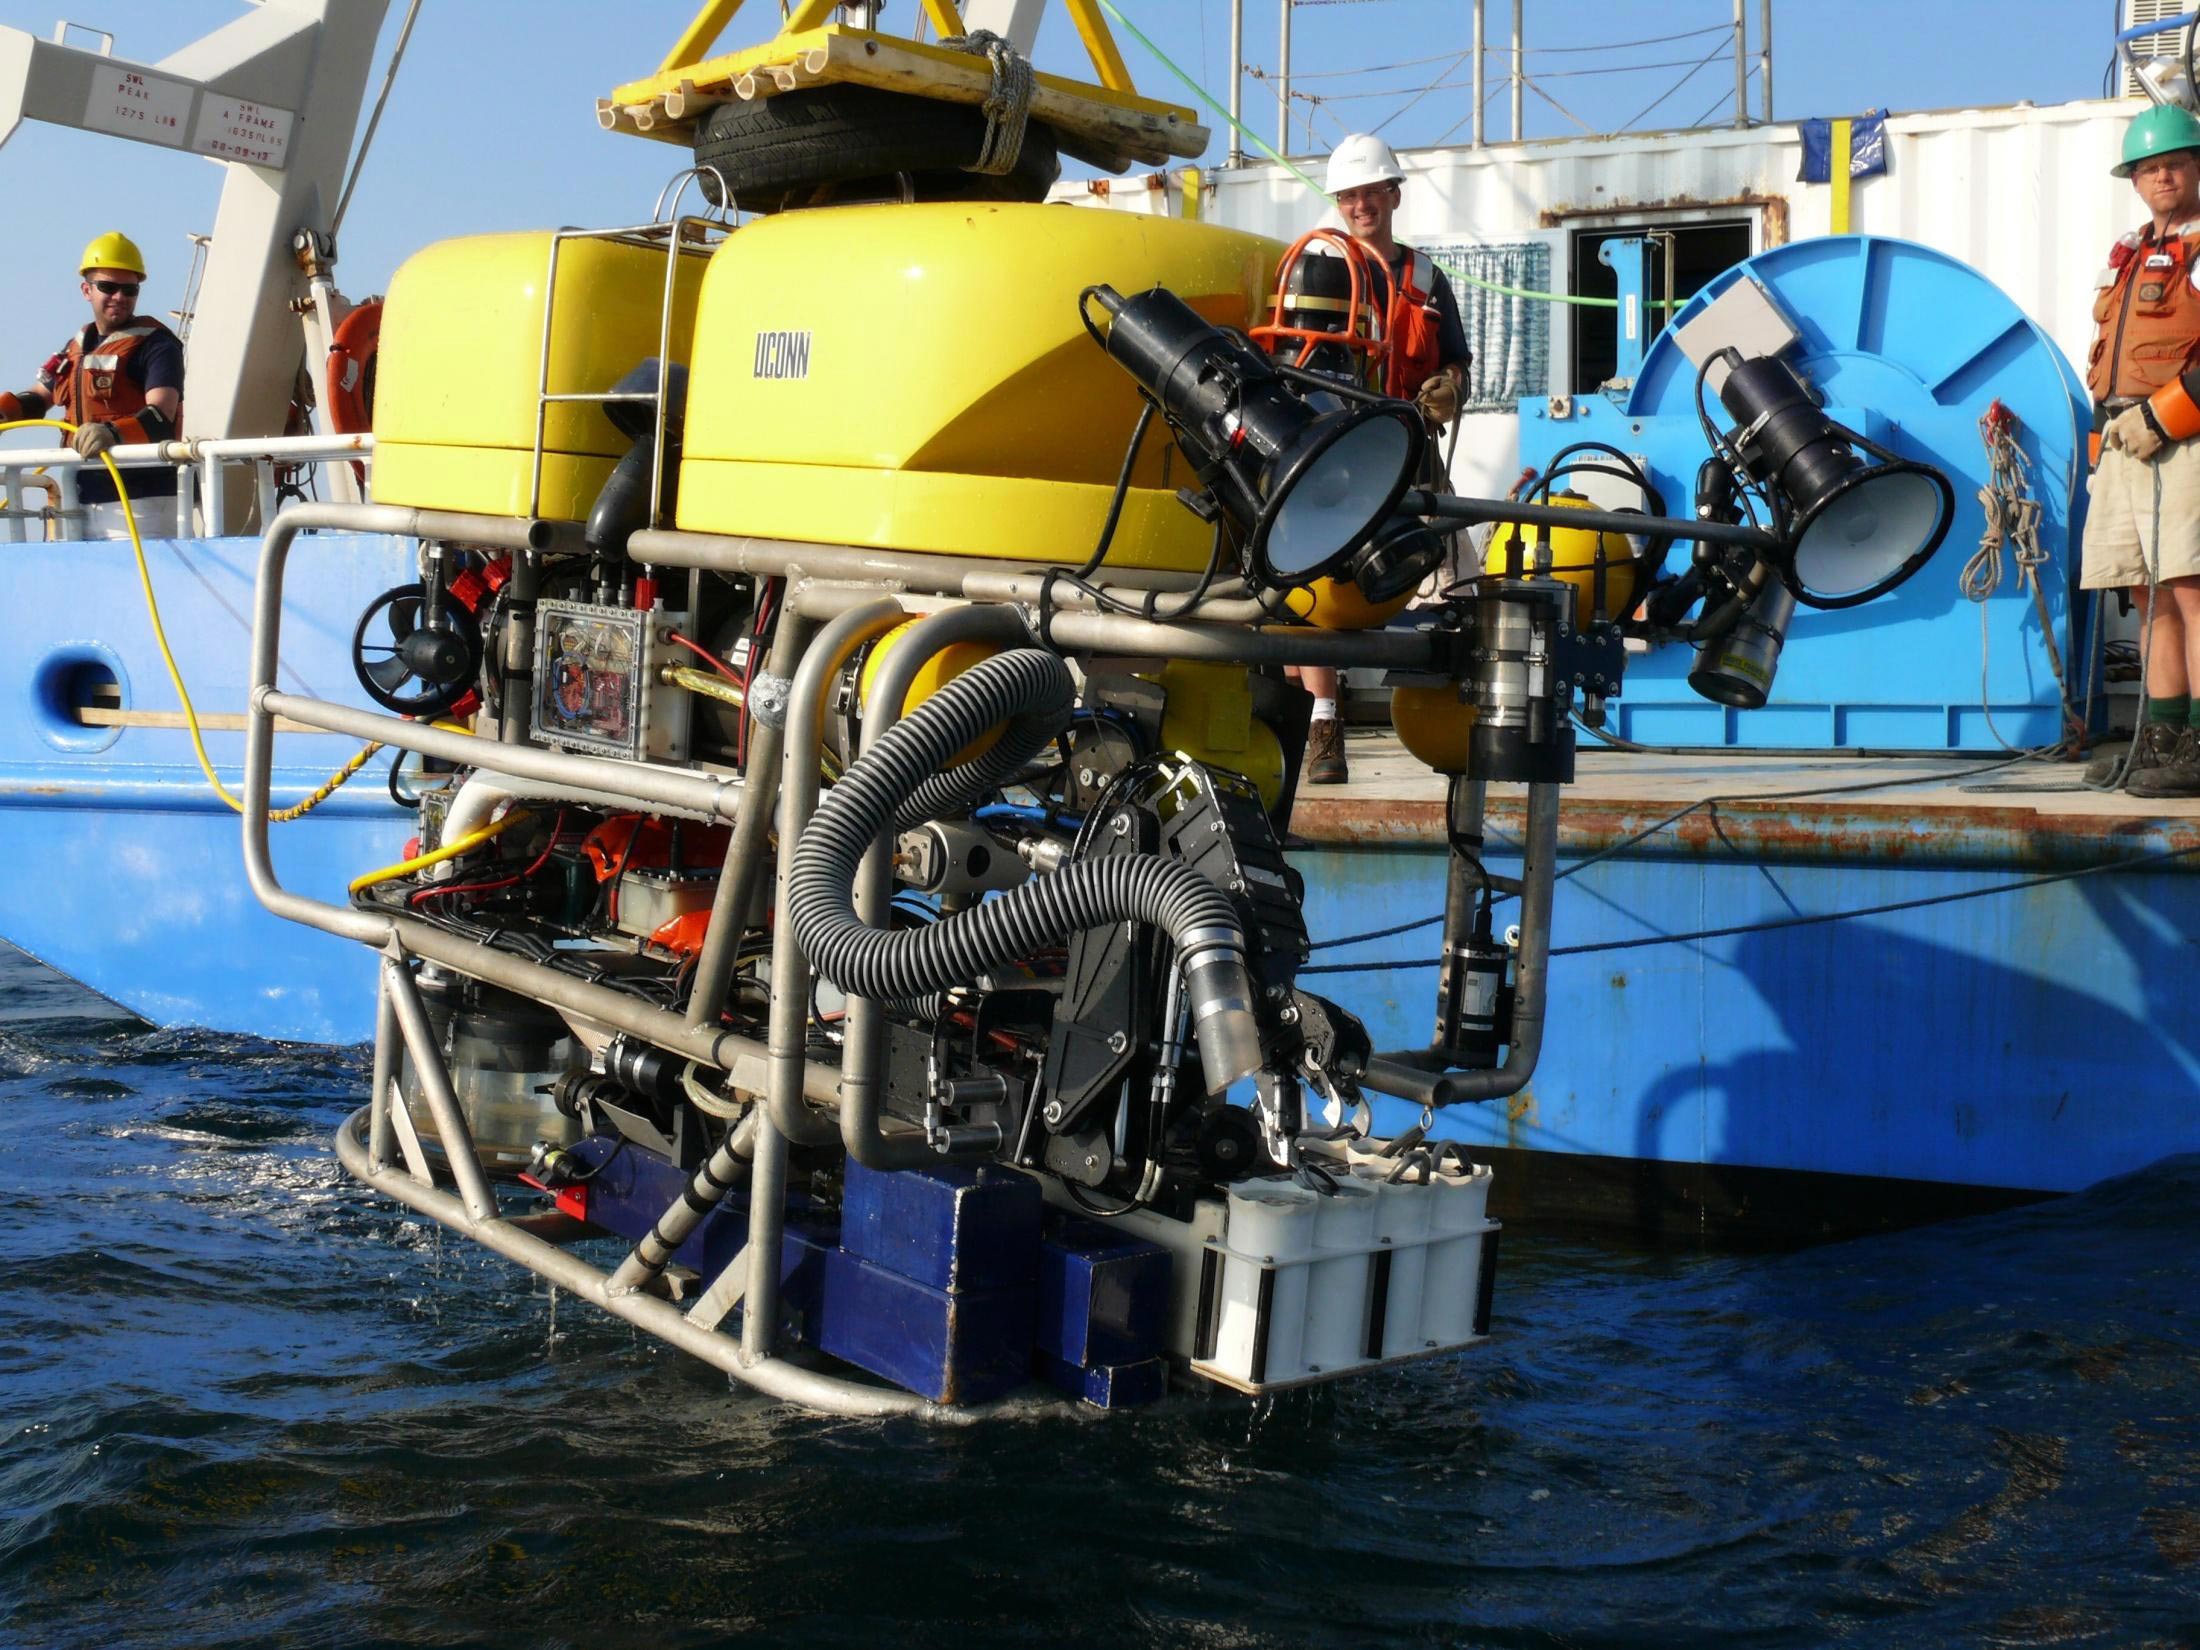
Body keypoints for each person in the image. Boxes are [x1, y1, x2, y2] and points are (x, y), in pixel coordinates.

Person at [1298, 133, 1473, 785]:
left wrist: (1451, 389)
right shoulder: (1320, 269)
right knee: (1317, 588)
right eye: (1349, 195)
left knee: (1460, 578)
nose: (1360, 204)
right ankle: (1323, 726)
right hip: (1339, 453)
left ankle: (1457, 718)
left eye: (1371, 191)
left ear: (1393, 194)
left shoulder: (1426, 279)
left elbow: (1457, 358)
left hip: (1411, 450)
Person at [2083, 105, 2200, 798]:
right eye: (2150, 167)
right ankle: (2158, 742)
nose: (2162, 175)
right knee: (2146, 592)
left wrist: (2168, 414)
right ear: (2133, 179)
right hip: (2125, 443)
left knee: (2192, 588)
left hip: (2185, 439)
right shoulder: (2126, 254)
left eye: (2175, 163)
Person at [0, 232, 184, 534]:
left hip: (141, 501)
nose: (119, 297)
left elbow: (161, 415)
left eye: (129, 290)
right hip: (80, 496)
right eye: (108, 287)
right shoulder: (78, 345)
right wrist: (5, 412)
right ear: (87, 290)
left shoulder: (157, 345)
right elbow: (39, 397)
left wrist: (111, 432)